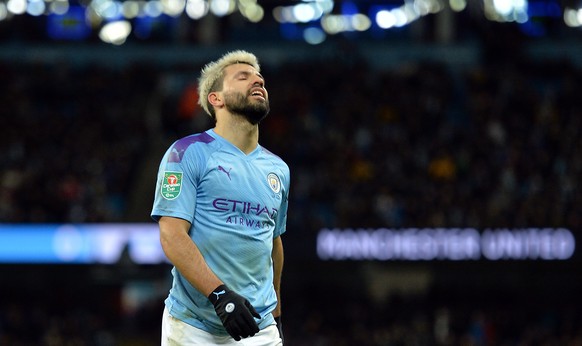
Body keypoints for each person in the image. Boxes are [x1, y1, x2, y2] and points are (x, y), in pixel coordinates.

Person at [151, 50, 289, 345]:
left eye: (260, 78)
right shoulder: (187, 152)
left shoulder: (279, 169)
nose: (258, 81)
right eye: (244, 77)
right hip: (194, 327)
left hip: (258, 327)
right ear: (216, 99)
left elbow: (273, 243)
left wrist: (276, 316)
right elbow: (172, 234)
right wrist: (220, 295)